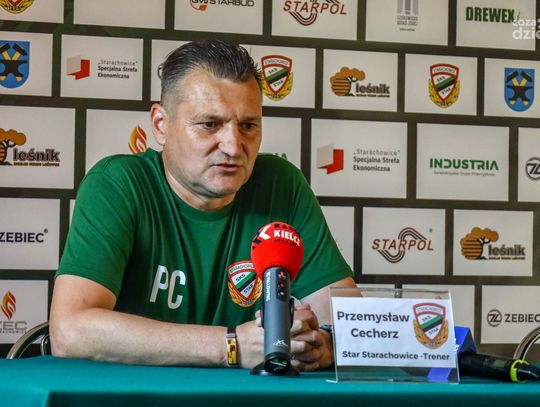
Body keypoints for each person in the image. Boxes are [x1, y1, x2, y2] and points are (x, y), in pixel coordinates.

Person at [50, 39, 356, 371]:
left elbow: (352, 326)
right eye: (209, 124)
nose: (233, 147)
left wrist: (324, 345)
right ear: (161, 125)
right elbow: (70, 331)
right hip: (134, 393)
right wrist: (231, 346)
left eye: (248, 126)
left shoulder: (281, 184)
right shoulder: (117, 184)